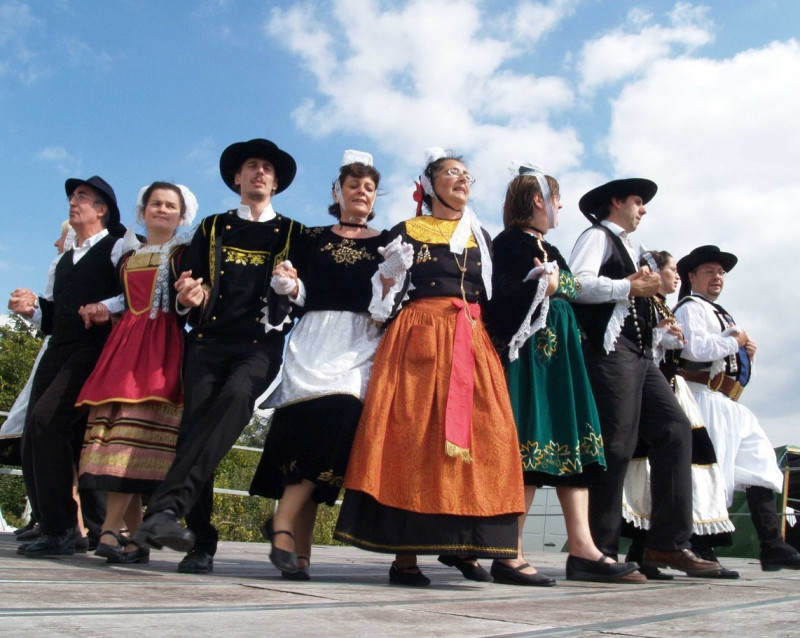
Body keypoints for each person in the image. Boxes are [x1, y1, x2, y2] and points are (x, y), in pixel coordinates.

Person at [334, 148, 526, 587]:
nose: (462, 180)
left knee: (486, 435)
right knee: (413, 436)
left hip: (470, 338)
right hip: (419, 333)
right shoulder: (407, 230)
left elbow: (493, 300)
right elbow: (382, 305)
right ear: (429, 183)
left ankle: (470, 543)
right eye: (451, 173)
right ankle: (404, 558)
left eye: (466, 175)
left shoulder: (481, 235)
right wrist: (387, 277)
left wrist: (537, 288)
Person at [133, 138, 304, 575]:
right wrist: (191, 296)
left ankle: (165, 509)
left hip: (257, 347)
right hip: (207, 342)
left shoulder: (293, 233)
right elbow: (188, 286)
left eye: (267, 167)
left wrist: (293, 288)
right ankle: (201, 541)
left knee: (234, 400)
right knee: (196, 431)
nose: (259, 173)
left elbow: (307, 295)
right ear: (237, 178)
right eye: (251, 166)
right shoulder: (211, 226)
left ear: (277, 181)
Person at [486, 164, 640, 584]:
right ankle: (509, 551)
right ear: (538, 200)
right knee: (531, 445)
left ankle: (585, 548)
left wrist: (558, 284)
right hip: (533, 357)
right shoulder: (510, 243)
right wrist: (542, 285)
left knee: (574, 443)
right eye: (555, 199)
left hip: (561, 357)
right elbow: (502, 298)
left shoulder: (547, 246)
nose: (559, 206)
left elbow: (570, 287)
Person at [568, 178, 722, 577]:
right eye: (638, 201)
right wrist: (629, 285)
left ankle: (666, 544)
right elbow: (576, 284)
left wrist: (656, 330)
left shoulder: (631, 247)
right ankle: (593, 552)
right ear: (615, 202)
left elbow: (632, 308)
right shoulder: (596, 236)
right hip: (608, 351)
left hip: (638, 353)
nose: (643, 209)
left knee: (674, 428)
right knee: (616, 442)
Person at [249, 151, 387, 580]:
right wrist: (288, 284)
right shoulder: (310, 237)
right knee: (300, 440)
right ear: (337, 192)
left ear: (375, 196)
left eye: (368, 187)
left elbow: (389, 300)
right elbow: (299, 291)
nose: (360, 192)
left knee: (338, 419)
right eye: (352, 185)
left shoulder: (389, 242)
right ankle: (297, 555)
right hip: (312, 340)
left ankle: (282, 521)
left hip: (358, 345)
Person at [75, 182, 197, 564]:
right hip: (125, 343)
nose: (162, 210)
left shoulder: (183, 254)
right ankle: (136, 537)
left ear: (181, 215)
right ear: (143, 211)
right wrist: (100, 307)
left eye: (170, 205)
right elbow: (125, 300)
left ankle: (112, 531)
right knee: (115, 438)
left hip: (161, 344)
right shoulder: (128, 257)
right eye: (155, 204)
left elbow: (188, 300)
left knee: (133, 437)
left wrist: (188, 293)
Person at [8, 176, 126, 557]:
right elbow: (56, 316)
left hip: (92, 349)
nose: (72, 202)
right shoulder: (65, 259)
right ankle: (58, 526)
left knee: (48, 421)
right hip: (59, 347)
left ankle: (62, 529)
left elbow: (135, 293)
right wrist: (33, 309)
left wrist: (104, 308)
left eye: (82, 196)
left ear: (102, 208)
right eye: (72, 197)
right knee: (35, 432)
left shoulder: (117, 248)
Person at [674, 245, 800, 571]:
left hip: (730, 403)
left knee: (760, 466)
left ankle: (772, 544)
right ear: (692, 276)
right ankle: (700, 546)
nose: (717, 277)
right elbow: (697, 349)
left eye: (720, 272)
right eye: (709, 271)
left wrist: (747, 355)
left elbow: (731, 365)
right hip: (702, 398)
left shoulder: (722, 313)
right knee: (711, 474)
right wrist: (736, 341)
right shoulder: (690, 308)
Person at [621, 249, 737, 579]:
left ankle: (656, 549)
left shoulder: (662, 306)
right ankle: (653, 548)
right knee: (650, 470)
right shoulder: (653, 306)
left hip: (670, 391)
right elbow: (645, 349)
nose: (674, 276)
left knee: (677, 468)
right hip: (657, 392)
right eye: (671, 270)